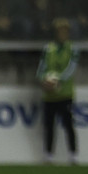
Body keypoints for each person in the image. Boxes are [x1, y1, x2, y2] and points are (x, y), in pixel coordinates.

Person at [37, 17, 78, 165]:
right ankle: (49, 155)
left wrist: (57, 80)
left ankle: (73, 155)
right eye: (60, 31)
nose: (62, 34)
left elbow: (71, 69)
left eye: (65, 31)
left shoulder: (72, 49)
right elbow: (41, 68)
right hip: (49, 95)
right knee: (49, 126)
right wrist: (44, 80)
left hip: (65, 94)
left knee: (68, 125)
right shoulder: (48, 49)